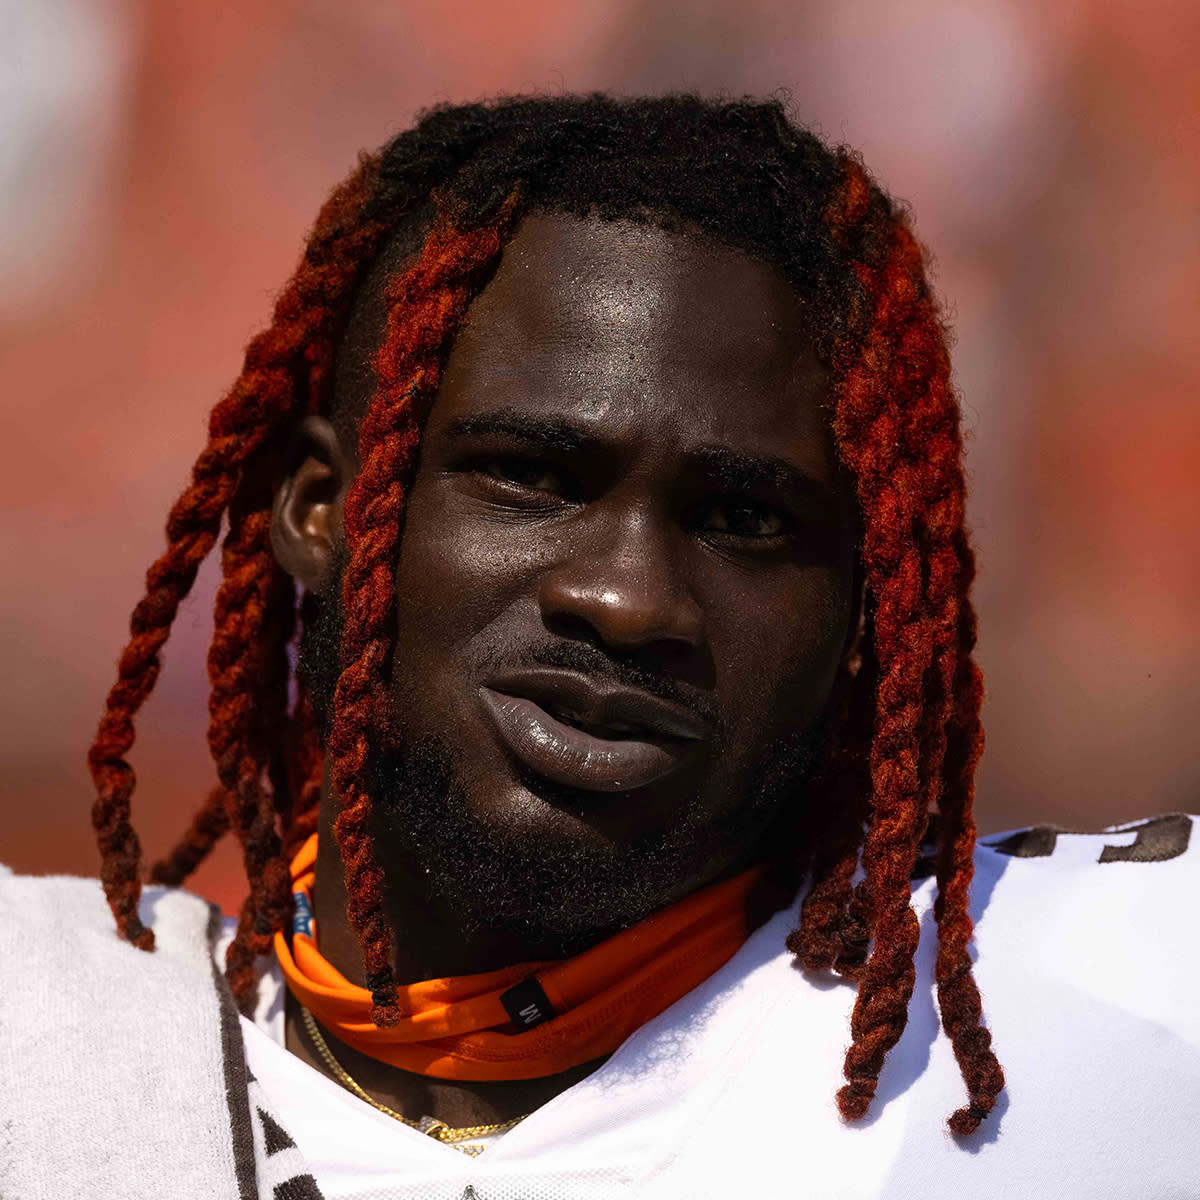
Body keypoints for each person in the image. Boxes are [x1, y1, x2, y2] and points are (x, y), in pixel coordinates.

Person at [2, 94, 1196, 1200]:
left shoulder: (1093, 1009)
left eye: (745, 519)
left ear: (863, 612)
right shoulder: (41, 1034)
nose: (627, 600)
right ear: (322, 510)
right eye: (531, 476)